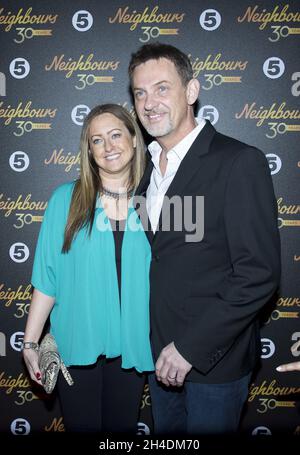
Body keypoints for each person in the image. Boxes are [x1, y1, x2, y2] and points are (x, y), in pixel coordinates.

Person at [129, 43, 281, 434]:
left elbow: (258, 273)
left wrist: (189, 349)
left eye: (162, 88)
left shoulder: (238, 161)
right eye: (140, 92)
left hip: (214, 362)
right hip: (158, 356)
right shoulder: (144, 173)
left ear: (192, 91)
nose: (149, 103)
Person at [22, 104, 154, 433]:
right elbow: (47, 278)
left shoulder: (155, 202)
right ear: (89, 150)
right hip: (76, 343)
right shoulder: (64, 200)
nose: (108, 147)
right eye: (97, 140)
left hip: (132, 345)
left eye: (115, 135)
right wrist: (29, 343)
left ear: (134, 139)